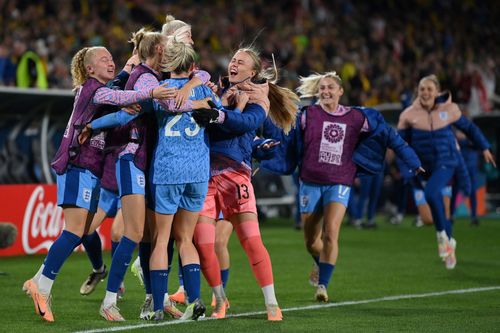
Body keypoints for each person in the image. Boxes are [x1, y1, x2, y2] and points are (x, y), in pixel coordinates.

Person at [22, 45, 174, 322]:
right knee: (73, 232)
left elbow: (116, 101)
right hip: (77, 164)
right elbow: (117, 94)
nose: (111, 62)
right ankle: (41, 285)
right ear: (89, 69)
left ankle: (42, 281)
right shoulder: (93, 88)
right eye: (103, 59)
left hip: (90, 169)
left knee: (80, 232)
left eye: (111, 58)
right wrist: (150, 91)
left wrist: (128, 76)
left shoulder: (96, 92)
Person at [260, 71, 422, 303]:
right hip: (310, 182)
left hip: (339, 181)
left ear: (340, 91)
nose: (326, 91)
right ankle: (319, 263)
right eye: (322, 88)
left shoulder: (356, 117)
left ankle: (323, 285)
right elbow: (283, 132)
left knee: (331, 233)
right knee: (310, 241)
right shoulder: (307, 115)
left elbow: (388, 134)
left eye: (330, 88)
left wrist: (412, 160)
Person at [192, 46, 298, 321]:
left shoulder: (258, 98)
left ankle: (272, 303)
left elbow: (243, 123)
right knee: (204, 244)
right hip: (204, 173)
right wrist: (219, 107)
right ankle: (220, 300)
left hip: (236, 174)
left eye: (241, 61)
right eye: (233, 60)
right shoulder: (217, 90)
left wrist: (219, 114)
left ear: (253, 72)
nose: (234, 64)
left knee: (251, 241)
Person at [397, 74, 496, 270]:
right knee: (435, 207)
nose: (425, 92)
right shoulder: (408, 114)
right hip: (422, 168)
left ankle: (442, 236)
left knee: (433, 197)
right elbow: (400, 146)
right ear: (418, 91)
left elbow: (469, 128)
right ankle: (448, 242)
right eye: (422, 89)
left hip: (446, 163)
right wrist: (406, 171)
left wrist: (484, 147)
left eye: (429, 89)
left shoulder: (449, 109)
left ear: (437, 92)